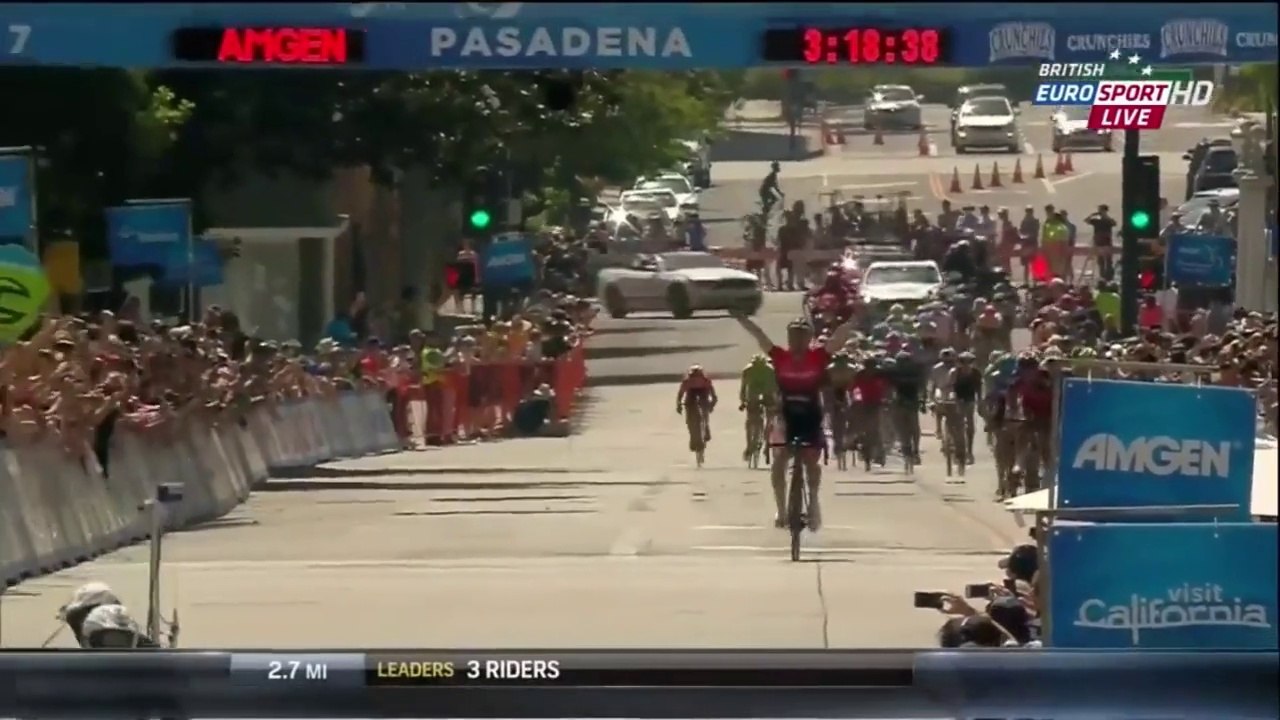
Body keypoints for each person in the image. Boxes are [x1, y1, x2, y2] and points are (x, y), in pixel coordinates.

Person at [732, 313, 855, 530]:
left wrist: (855, 320)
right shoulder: (779, 356)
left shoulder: (818, 356)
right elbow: (759, 335)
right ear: (788, 338)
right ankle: (781, 509)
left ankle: (814, 503)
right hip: (785, 413)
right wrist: (741, 318)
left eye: (802, 337)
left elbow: (838, 339)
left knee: (810, 462)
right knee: (780, 461)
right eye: (793, 336)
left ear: (809, 338)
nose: (797, 341)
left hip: (810, 413)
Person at [885, 350, 925, 462]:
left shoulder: (915, 372)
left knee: (913, 427)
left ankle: (915, 449)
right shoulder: (894, 373)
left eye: (905, 361)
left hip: (911, 401)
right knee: (902, 426)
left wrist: (922, 400)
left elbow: (922, 387)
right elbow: (889, 388)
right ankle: (907, 446)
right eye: (901, 361)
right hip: (900, 401)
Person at [739, 353, 777, 461]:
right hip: (753, 394)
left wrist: (775, 402)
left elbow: (774, 389)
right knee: (751, 420)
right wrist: (743, 401)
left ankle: (767, 443)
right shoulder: (747, 371)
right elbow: (743, 388)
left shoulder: (770, 370)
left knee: (769, 421)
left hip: (766, 394)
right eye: (756, 365)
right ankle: (749, 445)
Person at [676, 365, 717, 458]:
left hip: (696, 400)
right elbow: (713, 395)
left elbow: (680, 394)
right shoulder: (703, 380)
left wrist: (678, 405)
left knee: (693, 420)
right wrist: (712, 404)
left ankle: (702, 430)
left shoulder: (690, 381)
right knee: (698, 418)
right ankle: (703, 429)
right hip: (696, 400)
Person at [951, 351, 983, 463]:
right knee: (958, 426)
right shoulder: (955, 372)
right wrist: (955, 402)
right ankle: (958, 450)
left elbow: (979, 389)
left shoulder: (976, 373)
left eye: (969, 362)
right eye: (963, 362)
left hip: (970, 400)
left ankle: (969, 451)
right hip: (957, 399)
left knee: (970, 426)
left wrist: (980, 402)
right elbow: (951, 388)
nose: (966, 364)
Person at [1084, 204, 1117, 280]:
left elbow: (1114, 223)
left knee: (1108, 262)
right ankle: (1102, 277)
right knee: (1101, 262)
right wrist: (1092, 215)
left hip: (1107, 243)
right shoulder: (1096, 221)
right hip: (1098, 243)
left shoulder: (1108, 220)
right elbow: (1086, 220)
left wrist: (1105, 216)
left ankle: (1109, 277)